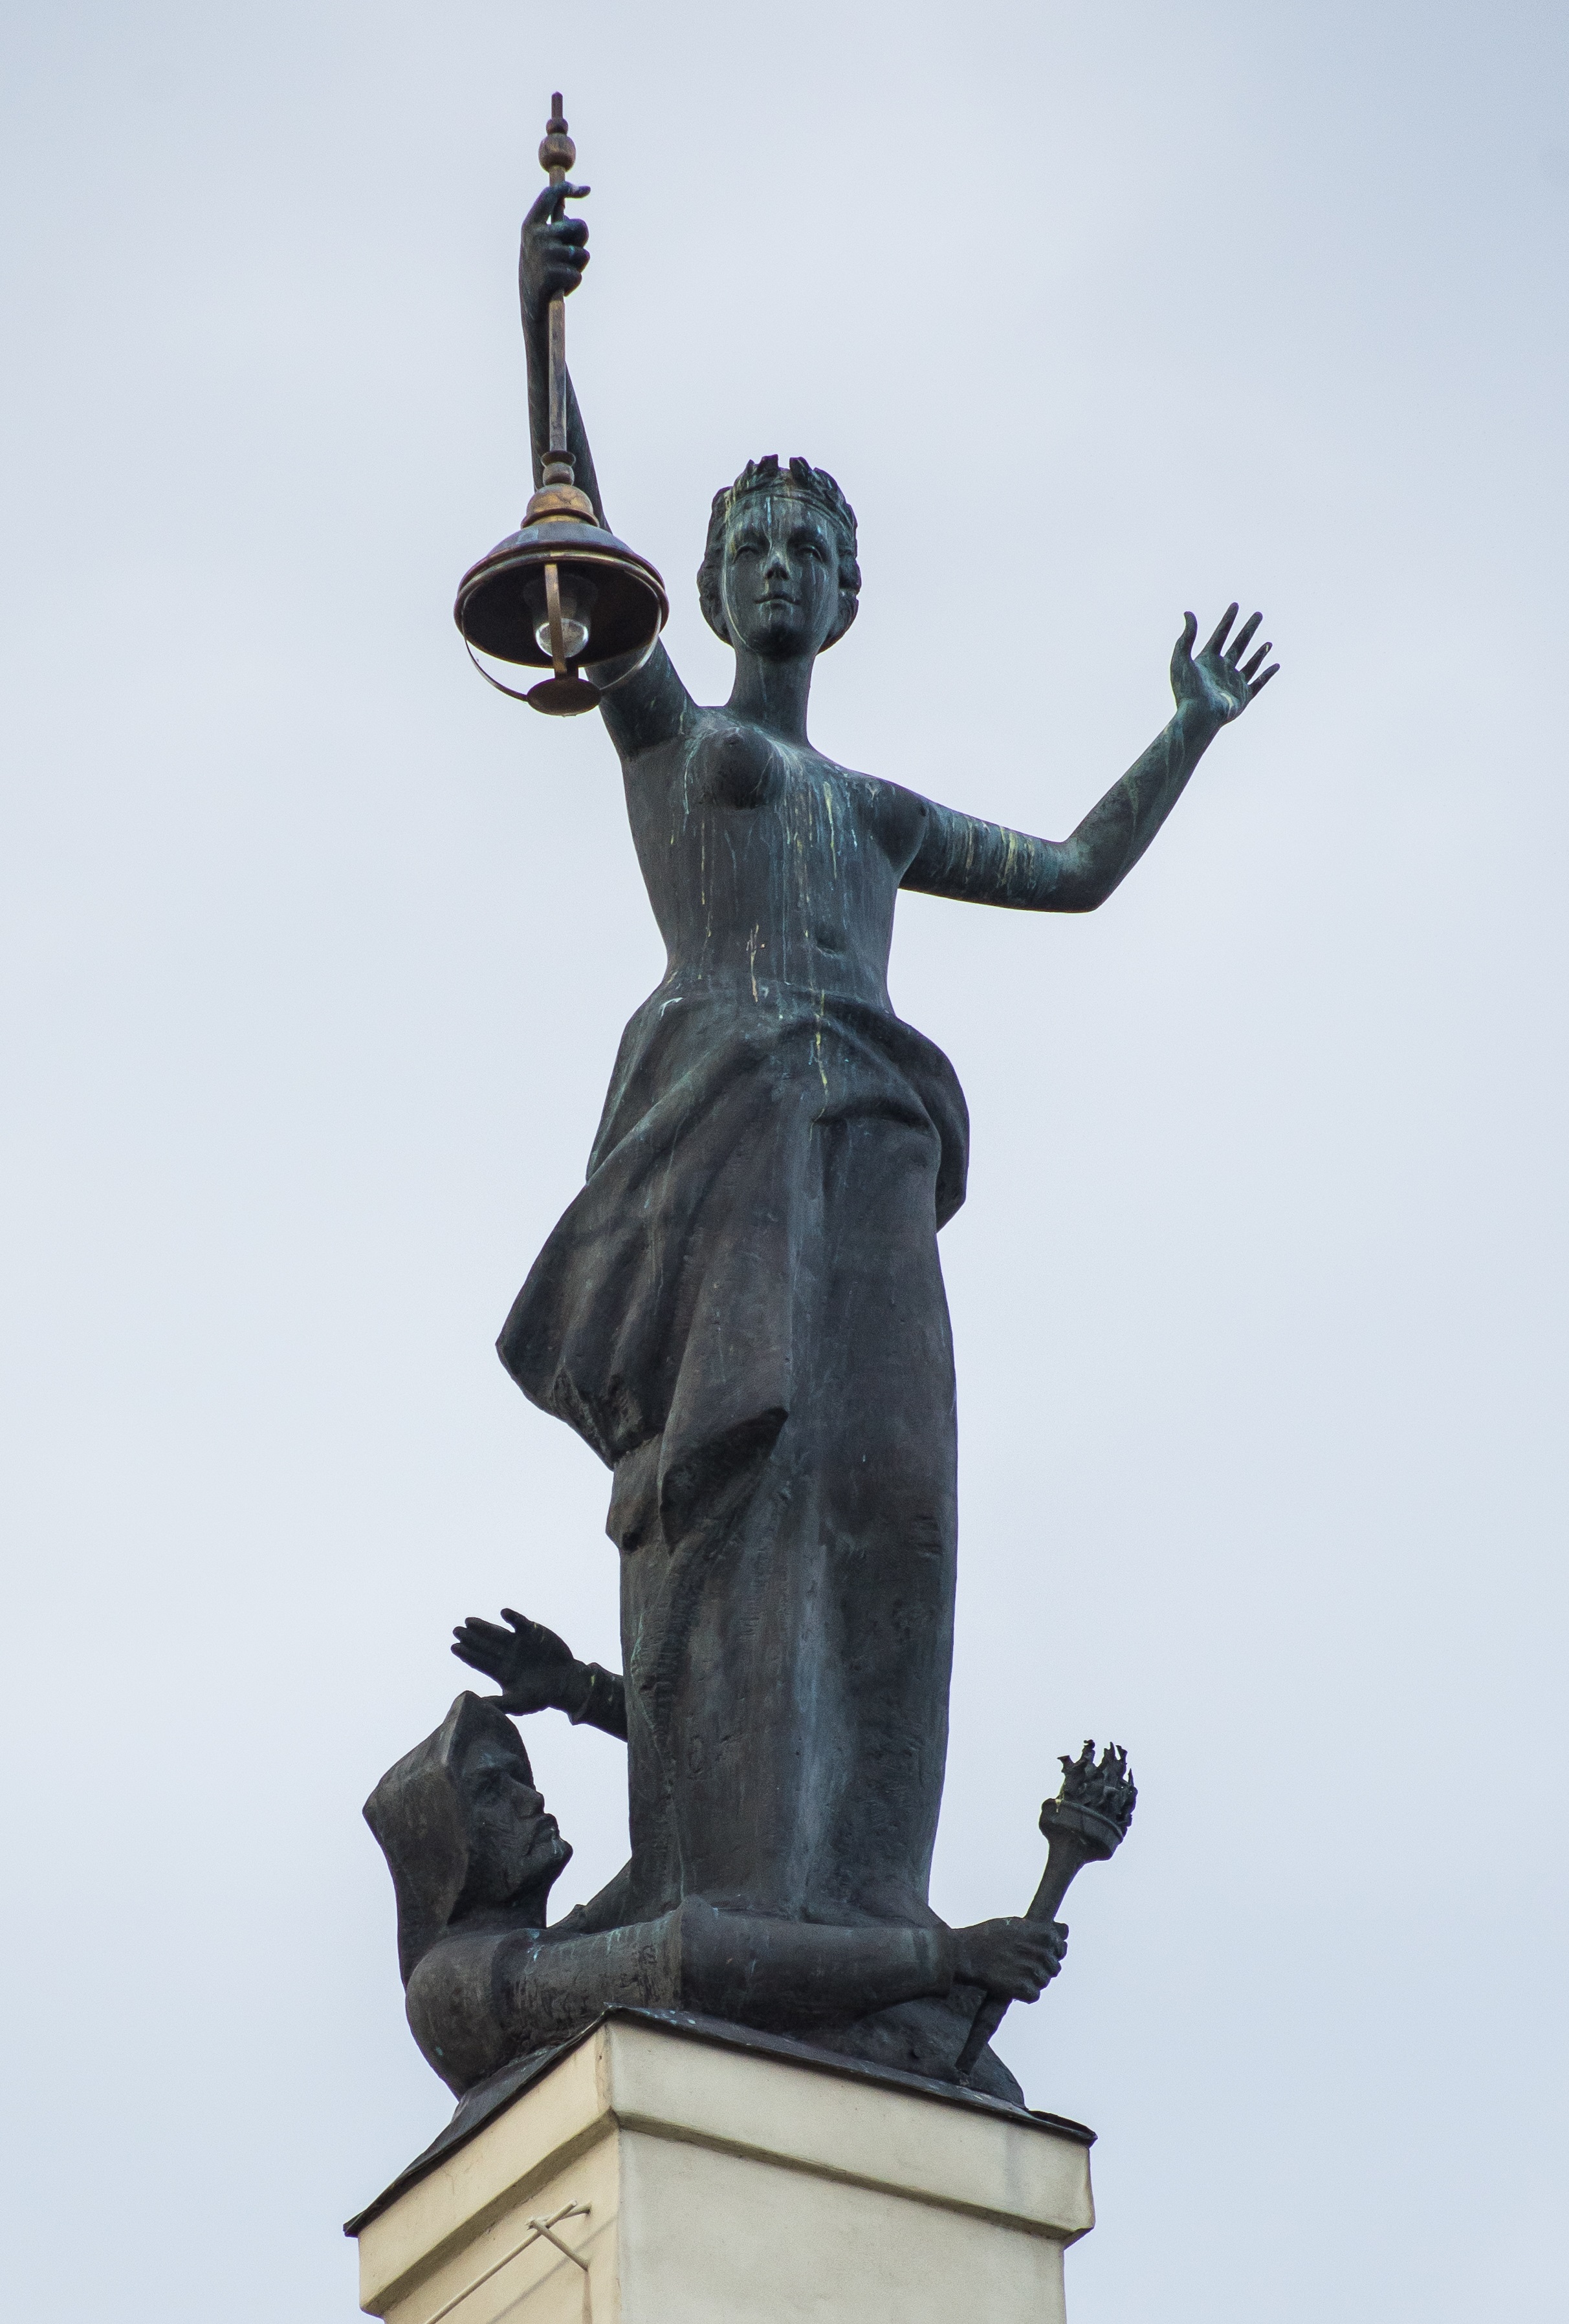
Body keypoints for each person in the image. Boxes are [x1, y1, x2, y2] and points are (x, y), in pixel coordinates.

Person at [491, 180, 1277, 2072]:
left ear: (846, 594)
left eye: (809, 548)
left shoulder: (878, 808)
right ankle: (731, 1872)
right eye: (752, 543)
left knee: (889, 1507)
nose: (778, 565)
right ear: (712, 588)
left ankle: (861, 1904)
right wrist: (541, 332)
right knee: (733, 1498)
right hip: (726, 1134)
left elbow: (1074, 871)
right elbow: (570, 546)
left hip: (871, 1154)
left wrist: (1184, 728)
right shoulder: (680, 739)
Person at [365, 1686, 1067, 2103]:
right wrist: (950, 1956)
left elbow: (691, 1815)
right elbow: (689, 1958)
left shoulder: (550, 1944)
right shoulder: (445, 1983)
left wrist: (585, 1692)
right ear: (446, 1850)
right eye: (493, 1789)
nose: (530, 1796)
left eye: (521, 1777)